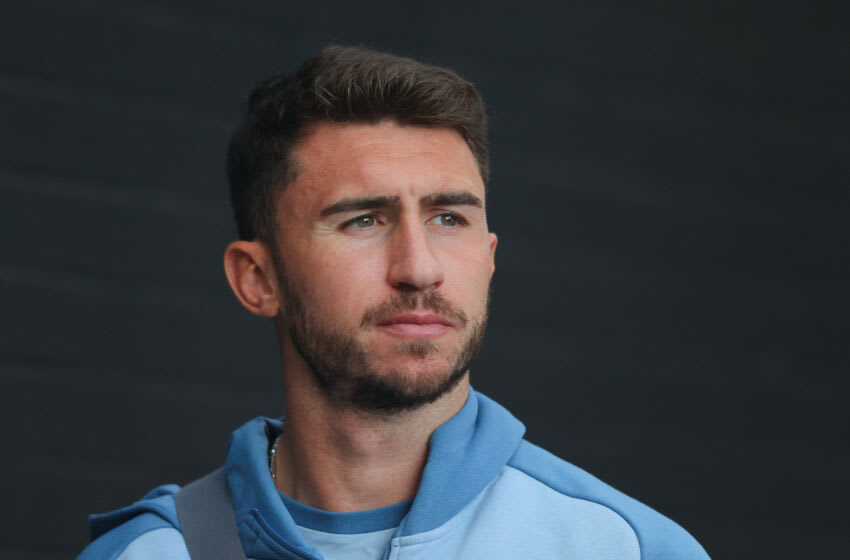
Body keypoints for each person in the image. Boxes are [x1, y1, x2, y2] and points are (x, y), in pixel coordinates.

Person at [78, 45, 709, 560]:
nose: (419, 268)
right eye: (363, 220)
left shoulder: (622, 548)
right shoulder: (151, 553)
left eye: (449, 218)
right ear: (257, 278)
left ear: (489, 256)